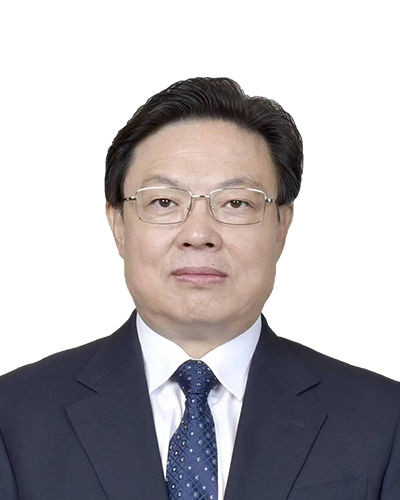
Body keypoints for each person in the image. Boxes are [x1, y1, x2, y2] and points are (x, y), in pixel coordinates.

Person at [1, 77, 399, 500]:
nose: (198, 234)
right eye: (164, 202)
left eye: (236, 203)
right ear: (118, 223)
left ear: (281, 225)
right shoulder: (15, 418)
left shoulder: (381, 421)